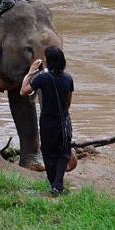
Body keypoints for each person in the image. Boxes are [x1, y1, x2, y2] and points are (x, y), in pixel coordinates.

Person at [21, 46, 75, 195]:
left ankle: (55, 184)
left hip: (47, 122)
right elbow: (68, 102)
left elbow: (23, 91)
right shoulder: (68, 78)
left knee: (48, 153)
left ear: (49, 62)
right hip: (64, 122)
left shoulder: (42, 78)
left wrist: (31, 72)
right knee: (63, 153)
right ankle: (58, 185)